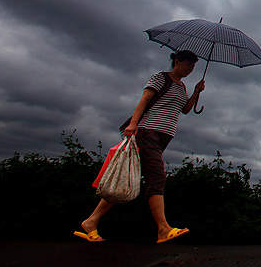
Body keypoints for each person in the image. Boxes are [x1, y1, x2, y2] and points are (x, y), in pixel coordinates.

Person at [74, 50, 205, 244]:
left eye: (193, 67)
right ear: (176, 62)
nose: (190, 69)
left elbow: (184, 110)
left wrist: (196, 92)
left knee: (127, 177)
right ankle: (163, 228)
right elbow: (144, 99)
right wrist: (132, 124)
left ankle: (91, 222)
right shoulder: (161, 78)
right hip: (147, 132)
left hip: (162, 137)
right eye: (187, 65)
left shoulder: (181, 86)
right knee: (157, 177)